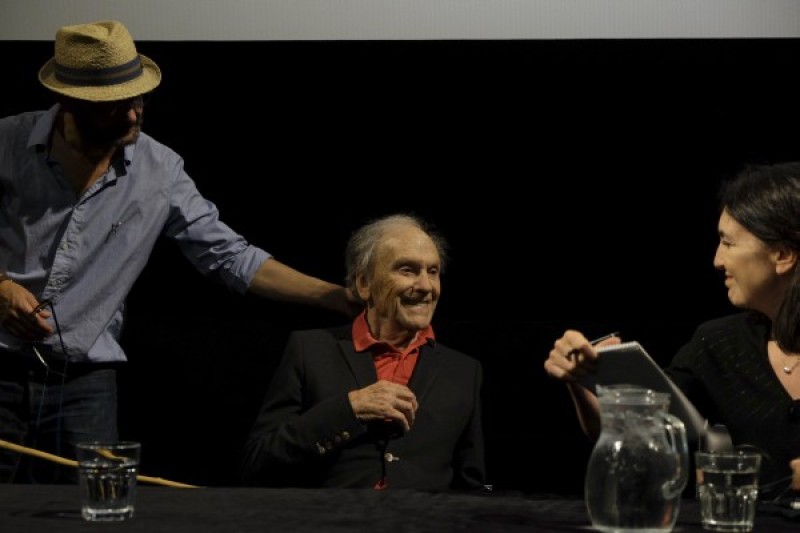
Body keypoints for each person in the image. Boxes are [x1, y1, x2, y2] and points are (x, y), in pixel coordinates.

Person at [0, 20, 356, 483]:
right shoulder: (7, 143)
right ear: (70, 102)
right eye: (115, 107)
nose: (133, 116)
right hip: (1, 364)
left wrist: (334, 297)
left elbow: (230, 256)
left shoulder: (160, 170)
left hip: (84, 381)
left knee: (95, 508)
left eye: (138, 100)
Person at [543, 161, 800, 497]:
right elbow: (636, 436)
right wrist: (581, 379)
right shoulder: (719, 345)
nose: (717, 260)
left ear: (782, 255)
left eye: (729, 243)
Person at [238, 213, 486, 491]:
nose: (426, 286)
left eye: (433, 271)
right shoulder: (310, 350)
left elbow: (474, 486)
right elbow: (258, 461)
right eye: (407, 270)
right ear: (364, 284)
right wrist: (349, 408)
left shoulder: (464, 371)